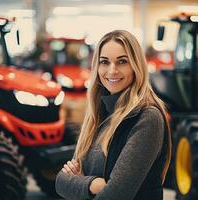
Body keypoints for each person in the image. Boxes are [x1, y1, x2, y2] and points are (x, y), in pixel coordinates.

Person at [55, 30, 172, 200]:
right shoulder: (100, 115)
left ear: (136, 66)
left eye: (122, 61)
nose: (112, 70)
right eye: (104, 62)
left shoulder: (147, 117)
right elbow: (60, 182)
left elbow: (115, 195)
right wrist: (93, 184)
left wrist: (80, 184)